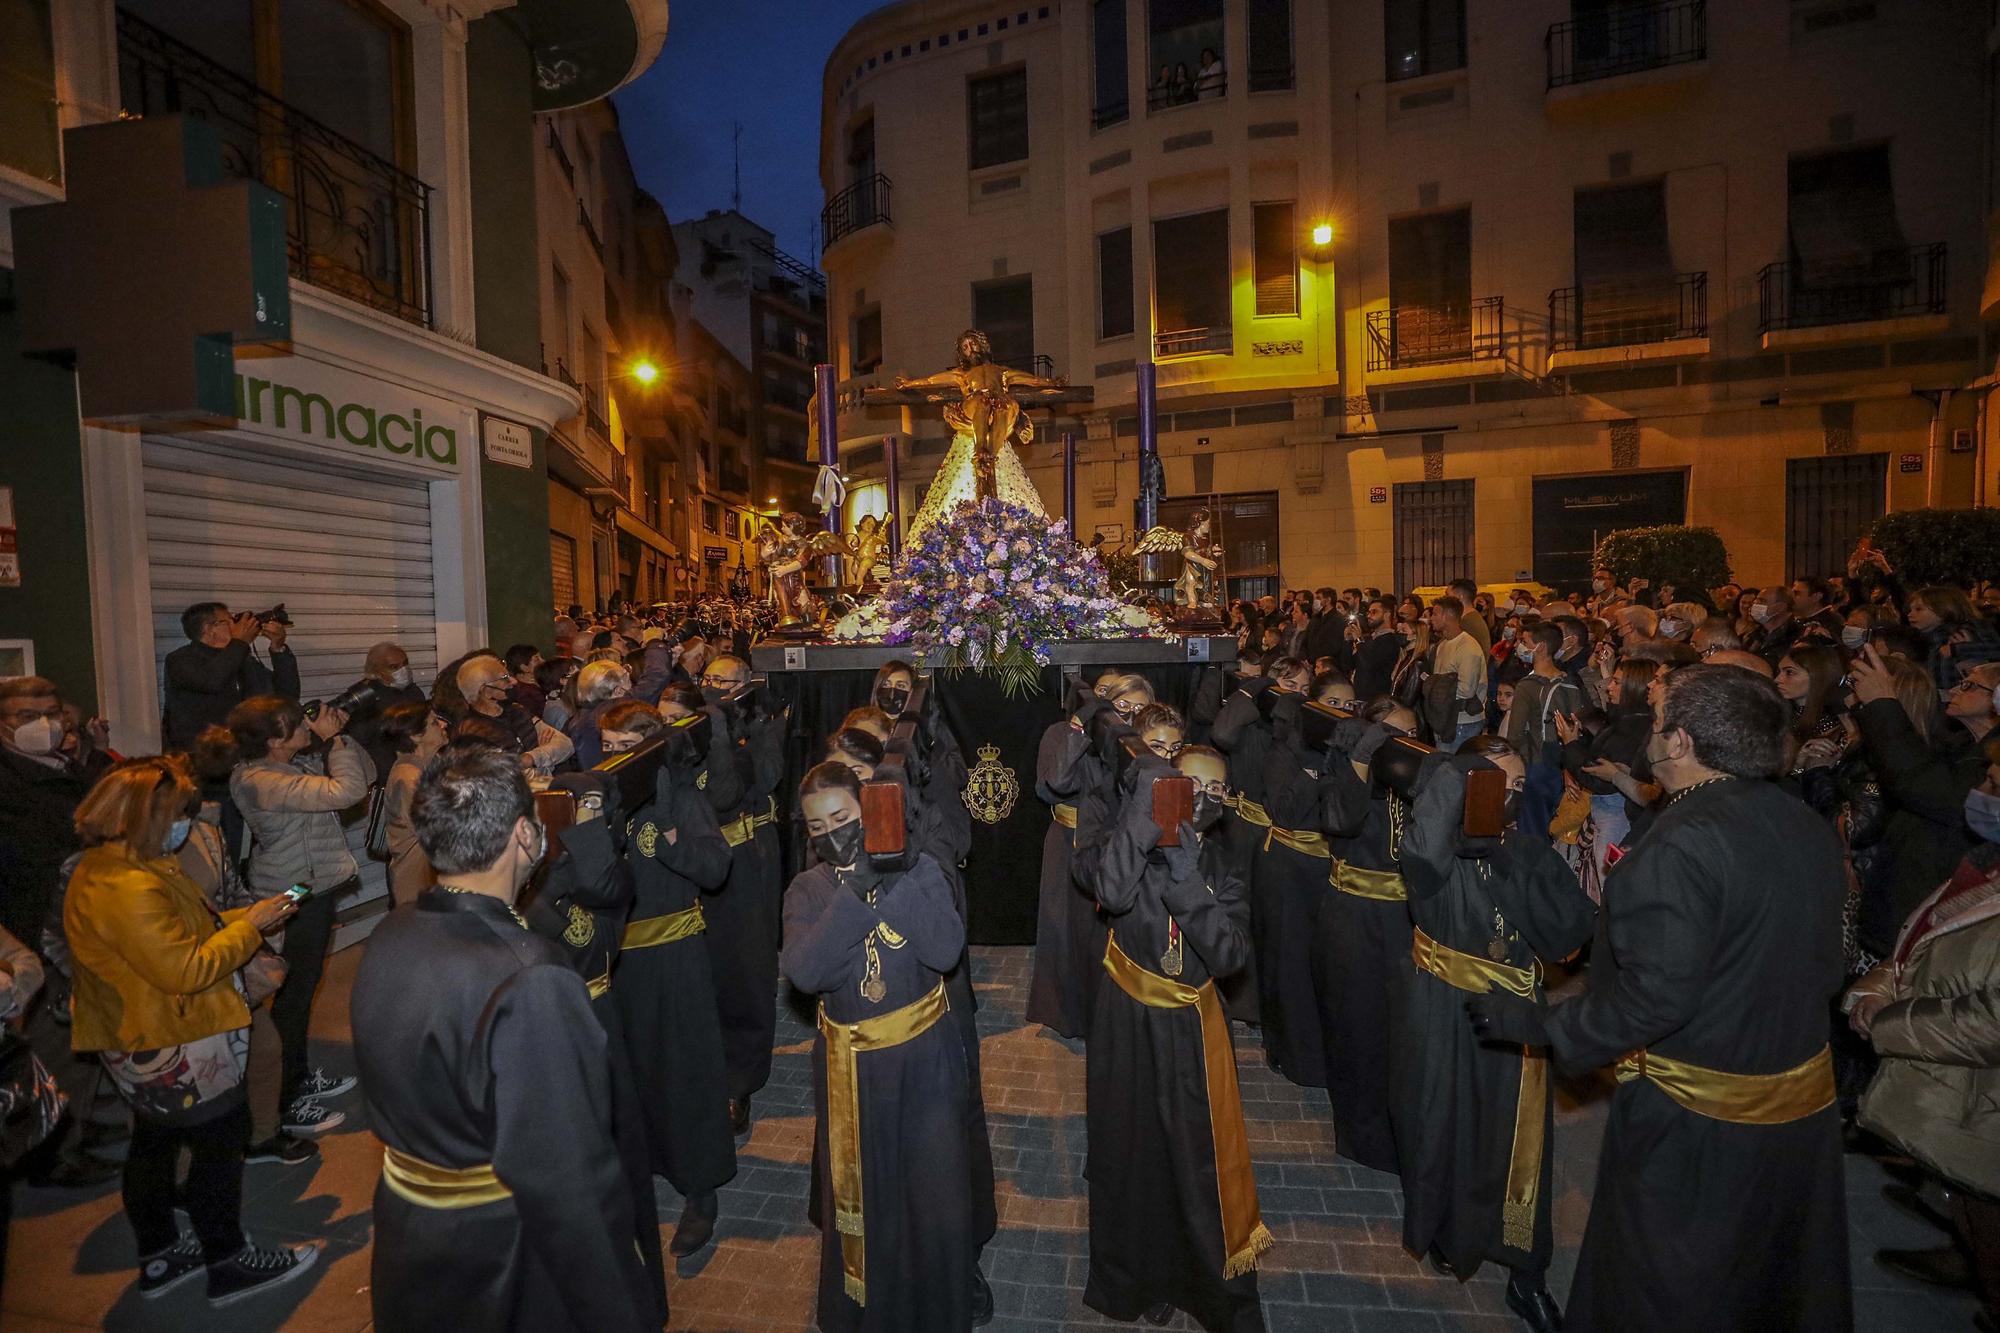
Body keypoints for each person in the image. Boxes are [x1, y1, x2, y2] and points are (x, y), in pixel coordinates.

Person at [1477, 665, 1853, 1333]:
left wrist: (1539, 1024)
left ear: (1679, 742)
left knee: (1668, 1279)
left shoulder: (1679, 844)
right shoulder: (1801, 820)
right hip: (1796, 1102)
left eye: (1656, 724)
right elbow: (1826, 963)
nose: (1647, 735)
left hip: (1701, 1118)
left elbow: (1655, 1000)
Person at [350, 746, 656, 1332]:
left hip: (411, 1237)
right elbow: (569, 1179)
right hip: (504, 1254)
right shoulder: (531, 975)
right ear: (523, 834)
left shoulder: (393, 931)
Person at [64, 756, 318, 1305]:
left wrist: (247, 918)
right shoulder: (126, 883)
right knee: (218, 1149)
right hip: (171, 1041)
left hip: (147, 1035)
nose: (189, 822)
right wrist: (250, 928)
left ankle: (160, 1254)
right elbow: (187, 968)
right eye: (179, 813)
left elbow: (182, 935)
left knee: (154, 1143)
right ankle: (228, 1260)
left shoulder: (123, 866)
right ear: (145, 815)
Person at [1394, 739, 1594, 1333]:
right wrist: (1456, 778)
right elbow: (1422, 851)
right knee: (1441, 1121)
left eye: (1512, 785)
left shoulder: (1528, 852)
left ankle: (1525, 1271)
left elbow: (1569, 939)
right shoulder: (1434, 854)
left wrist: (1514, 871)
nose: (1503, 795)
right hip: (1440, 1007)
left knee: (1515, 1138)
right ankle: (1449, 1230)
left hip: (1513, 1014)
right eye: (1488, 782)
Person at [1078, 744, 1268, 1331]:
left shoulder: (1224, 866)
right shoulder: (1125, 845)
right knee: (1131, 1153)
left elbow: (1231, 954)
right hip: (1126, 1021)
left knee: (1194, 1160)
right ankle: (1140, 1276)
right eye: (1191, 786)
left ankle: (1205, 1284)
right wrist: (1142, 820)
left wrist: (1190, 883)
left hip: (1190, 1027)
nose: (1204, 799)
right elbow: (1108, 889)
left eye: (1217, 790)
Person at [783, 761, 975, 1332]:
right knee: (865, 1195)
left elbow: (943, 949)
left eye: (842, 819)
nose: (831, 835)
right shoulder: (808, 889)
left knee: (932, 1189)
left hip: (924, 1059)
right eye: (817, 828)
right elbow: (806, 969)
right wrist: (856, 892)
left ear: (871, 813)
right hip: (851, 1068)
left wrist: (884, 881)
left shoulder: (918, 869)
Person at [1845, 737, 2000, 1319]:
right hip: (1962, 1092)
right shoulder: (1985, 858)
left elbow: (1991, 1021)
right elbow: (1929, 933)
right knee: (1975, 1210)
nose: (1981, 792)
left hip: (1982, 1091)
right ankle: (1966, 1249)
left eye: (1994, 782)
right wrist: (1889, 975)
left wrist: (1889, 1020)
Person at [606, 697, 738, 1258]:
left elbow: (715, 867)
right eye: (606, 750)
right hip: (618, 966)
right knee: (632, 1077)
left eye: (623, 752)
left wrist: (667, 838)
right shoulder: (603, 800)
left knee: (685, 1071)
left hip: (675, 955)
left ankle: (700, 1188)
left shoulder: (680, 797)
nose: (612, 761)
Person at [227, 696, 373, 1147]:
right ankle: (285, 1099)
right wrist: (334, 741)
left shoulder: (289, 767)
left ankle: (299, 1074)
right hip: (293, 893)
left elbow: (364, 777)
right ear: (272, 740)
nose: (306, 727)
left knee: (303, 988)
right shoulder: (260, 780)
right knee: (289, 992)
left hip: (313, 887)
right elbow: (347, 792)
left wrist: (342, 737)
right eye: (295, 725)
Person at [697, 653, 787, 1134]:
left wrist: (721, 737)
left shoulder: (762, 725)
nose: (713, 687)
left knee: (746, 967)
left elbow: (734, 790)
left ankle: (740, 1080)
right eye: (707, 679)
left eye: (724, 681)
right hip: (695, 860)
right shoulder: (692, 725)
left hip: (747, 853)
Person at [162, 603, 300, 752]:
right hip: (203, 759)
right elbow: (211, 681)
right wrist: (240, 642)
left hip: (245, 754)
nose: (237, 625)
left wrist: (278, 648)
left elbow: (286, 695)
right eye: (230, 620)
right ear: (209, 629)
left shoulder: (242, 660)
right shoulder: (180, 660)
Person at [379, 701, 449, 907]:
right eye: (435, 723)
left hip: (432, 877)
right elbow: (435, 832)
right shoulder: (409, 778)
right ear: (416, 736)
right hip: (419, 881)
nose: (444, 725)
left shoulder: (431, 765)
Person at [344, 642, 426, 777]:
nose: (403, 670)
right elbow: (358, 741)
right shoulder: (364, 697)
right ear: (376, 671)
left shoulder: (414, 691)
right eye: (394, 667)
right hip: (383, 771)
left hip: (414, 765)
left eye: (405, 663)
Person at [1427, 597, 1489, 753]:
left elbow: (1466, 690)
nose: (1431, 618)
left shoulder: (1467, 647)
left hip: (1463, 722)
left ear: (1447, 615)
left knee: (1453, 770)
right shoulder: (1442, 644)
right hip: (1445, 718)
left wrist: (1435, 688)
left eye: (1435, 614)